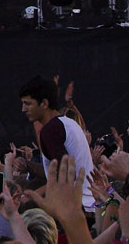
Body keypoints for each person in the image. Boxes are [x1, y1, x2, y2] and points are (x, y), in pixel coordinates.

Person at [19, 75, 92, 205]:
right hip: (87, 202)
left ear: (44, 103)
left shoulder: (51, 130)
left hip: (76, 205)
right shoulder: (69, 123)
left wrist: (32, 196)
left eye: (28, 104)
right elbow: (53, 171)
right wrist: (29, 166)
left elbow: (65, 176)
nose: (23, 109)